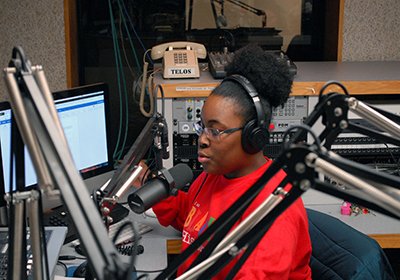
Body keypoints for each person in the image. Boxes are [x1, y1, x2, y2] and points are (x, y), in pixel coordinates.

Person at [152, 44, 312, 279]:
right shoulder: (214, 175)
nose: (203, 140)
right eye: (202, 127)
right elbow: (197, 222)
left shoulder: (273, 209)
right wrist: (159, 193)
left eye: (216, 131)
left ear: (253, 136)